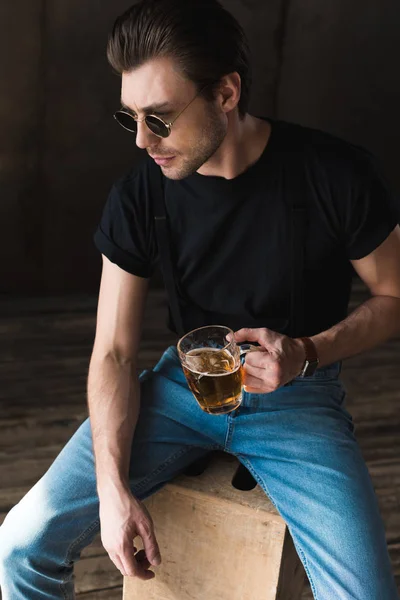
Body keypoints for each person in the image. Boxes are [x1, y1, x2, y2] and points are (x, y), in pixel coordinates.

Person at [0, 0, 399, 598]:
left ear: (227, 93)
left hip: (299, 397)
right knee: (19, 544)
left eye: (159, 117)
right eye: (129, 117)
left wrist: (307, 352)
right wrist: (112, 490)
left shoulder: (333, 173)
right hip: (180, 390)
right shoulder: (138, 196)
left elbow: (394, 294)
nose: (141, 140)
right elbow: (112, 351)